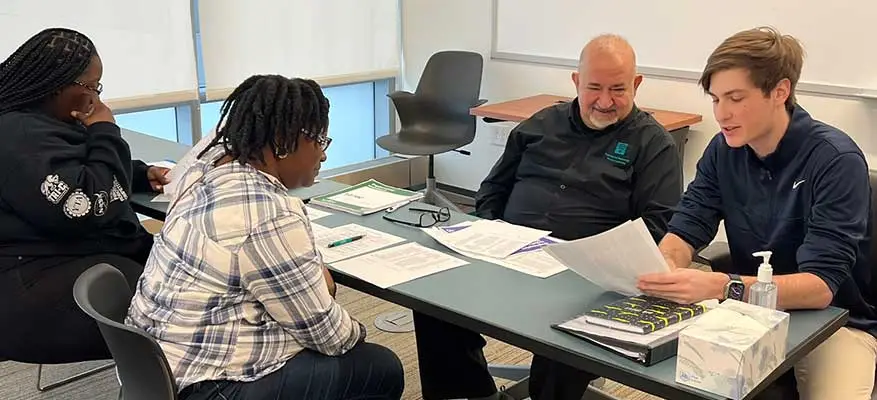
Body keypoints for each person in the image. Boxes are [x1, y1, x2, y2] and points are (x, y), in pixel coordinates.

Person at [413, 34, 683, 400]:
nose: (605, 101)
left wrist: (598, 261)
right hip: (508, 255)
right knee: (432, 299)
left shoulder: (653, 145)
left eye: (618, 89)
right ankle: (472, 392)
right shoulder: (541, 124)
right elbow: (493, 189)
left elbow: (657, 230)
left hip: (585, 279)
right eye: (594, 88)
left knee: (562, 347)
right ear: (576, 82)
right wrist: (487, 234)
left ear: (636, 85)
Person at [126, 74, 404, 400]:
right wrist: (341, 311)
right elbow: (331, 336)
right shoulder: (269, 214)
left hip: (151, 365)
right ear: (285, 141)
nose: (324, 155)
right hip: (205, 386)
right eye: (320, 140)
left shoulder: (205, 173)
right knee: (379, 366)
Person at [639, 26, 877, 399]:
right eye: (716, 99)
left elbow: (819, 287)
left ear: (780, 91)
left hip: (836, 323)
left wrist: (721, 285)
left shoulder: (835, 160)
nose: (721, 113)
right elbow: (688, 223)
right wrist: (668, 263)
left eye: (735, 98)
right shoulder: (723, 150)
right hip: (747, 314)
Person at [0, 28, 169, 364]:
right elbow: (84, 204)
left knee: (174, 277)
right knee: (177, 305)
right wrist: (105, 129)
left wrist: (137, 173)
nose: (97, 99)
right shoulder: (15, 134)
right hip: (32, 290)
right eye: (91, 87)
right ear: (56, 85)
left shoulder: (40, 121)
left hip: (62, 260)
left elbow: (72, 163)